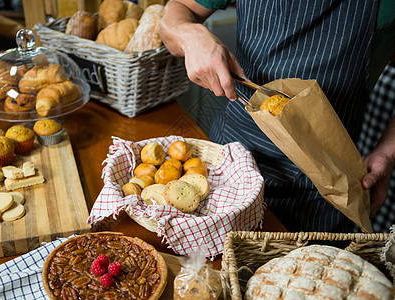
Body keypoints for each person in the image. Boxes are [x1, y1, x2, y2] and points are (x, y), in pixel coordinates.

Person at [160, 0, 395, 232]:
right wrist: (189, 35)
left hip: (328, 188)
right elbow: (176, 14)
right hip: (229, 164)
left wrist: (388, 150)